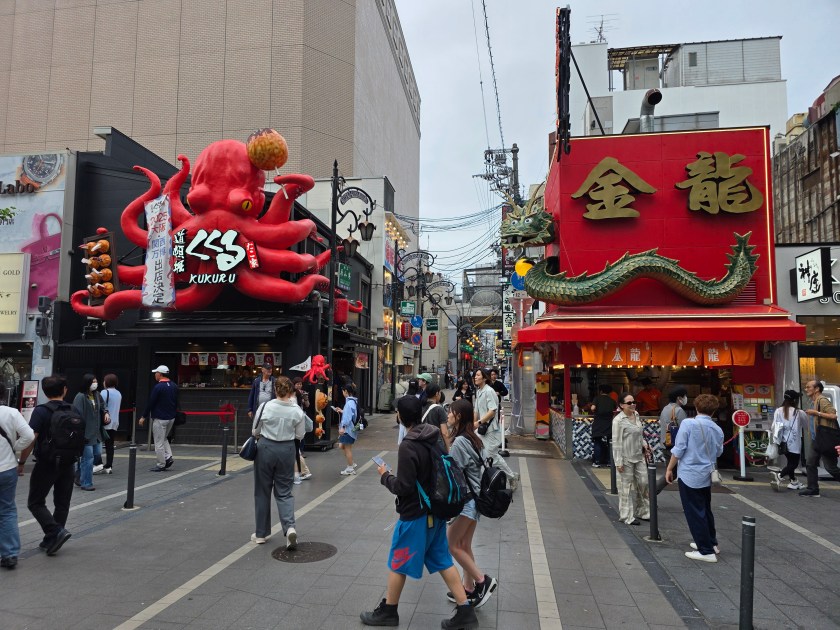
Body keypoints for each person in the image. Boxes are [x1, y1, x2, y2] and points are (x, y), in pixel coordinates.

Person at [360, 396, 478, 629]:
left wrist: (385, 476)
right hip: (436, 511)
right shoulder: (433, 436)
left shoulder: (408, 445)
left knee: (398, 560)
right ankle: (465, 611)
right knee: (443, 561)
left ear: (401, 417)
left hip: (415, 515)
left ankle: (389, 611)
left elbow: (403, 487)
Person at [445, 399, 497, 608]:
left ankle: (483, 581)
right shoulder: (474, 438)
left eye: (450, 412)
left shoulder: (459, 442)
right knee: (465, 545)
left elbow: (453, 473)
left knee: (451, 545)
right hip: (476, 500)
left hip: (466, 501)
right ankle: (467, 588)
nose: (448, 415)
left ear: (459, 416)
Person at [18, 375, 77, 556]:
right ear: (65, 390)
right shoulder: (73, 409)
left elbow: (31, 438)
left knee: (35, 502)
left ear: (44, 392)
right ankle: (52, 538)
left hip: (47, 463)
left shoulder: (41, 411)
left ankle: (56, 532)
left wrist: (22, 462)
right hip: (69, 462)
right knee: (62, 503)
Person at [665, 393, 724, 562]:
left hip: (689, 473)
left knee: (694, 512)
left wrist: (669, 468)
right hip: (707, 473)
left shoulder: (688, 424)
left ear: (696, 407)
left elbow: (679, 449)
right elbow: (719, 452)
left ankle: (706, 551)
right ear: (714, 411)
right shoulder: (717, 428)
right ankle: (711, 542)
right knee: (705, 509)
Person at [252, 376, 306, 550]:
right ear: (290, 391)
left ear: (275, 389)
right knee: (284, 492)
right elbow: (300, 435)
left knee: (262, 491)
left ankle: (261, 534)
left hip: (265, 448)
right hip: (287, 450)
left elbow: (255, 430)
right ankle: (290, 528)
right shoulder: (296, 410)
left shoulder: (265, 407)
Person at [0, 383, 34, 569]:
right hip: (7, 468)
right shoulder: (11, 412)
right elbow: (29, 435)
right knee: (7, 510)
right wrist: (14, 446)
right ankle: (10, 554)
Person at [474, 368, 518, 490]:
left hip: (491, 430)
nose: (475, 377)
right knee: (479, 453)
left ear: (484, 378)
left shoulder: (489, 391)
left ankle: (511, 477)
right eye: (475, 375)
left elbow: (492, 411)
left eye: (478, 375)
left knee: (491, 456)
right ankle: (481, 481)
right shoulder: (479, 391)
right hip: (481, 429)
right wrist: (473, 423)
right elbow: (476, 410)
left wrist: (478, 422)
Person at [612, 393, 651, 526]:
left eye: (634, 402)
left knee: (643, 483)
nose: (633, 404)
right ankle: (627, 516)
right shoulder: (618, 421)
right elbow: (616, 442)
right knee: (625, 487)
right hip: (625, 458)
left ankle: (643, 511)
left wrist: (644, 444)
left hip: (639, 456)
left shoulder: (637, 415)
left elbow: (639, 435)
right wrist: (618, 462)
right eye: (629, 403)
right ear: (621, 405)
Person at [799, 379, 840, 497]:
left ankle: (813, 488)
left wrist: (816, 413)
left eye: (808, 387)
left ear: (817, 389)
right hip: (816, 439)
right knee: (810, 463)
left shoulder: (822, 400)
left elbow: (833, 415)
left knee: (830, 468)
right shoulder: (814, 401)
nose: (806, 389)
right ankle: (812, 489)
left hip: (824, 440)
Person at [138, 365, 178, 472]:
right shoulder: (174, 385)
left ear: (160, 374)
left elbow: (151, 403)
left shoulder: (158, 387)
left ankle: (161, 464)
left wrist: (143, 416)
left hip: (160, 418)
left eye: (156, 373)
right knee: (164, 438)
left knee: (158, 442)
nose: (155, 375)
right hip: (171, 417)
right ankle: (168, 457)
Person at [72, 374, 107, 492]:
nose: (95, 383)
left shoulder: (97, 394)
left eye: (96, 381)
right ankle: (86, 483)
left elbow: (103, 405)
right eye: (93, 381)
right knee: (88, 458)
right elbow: (77, 415)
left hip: (96, 433)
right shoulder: (80, 397)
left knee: (97, 453)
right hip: (85, 433)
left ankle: (78, 474)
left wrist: (106, 412)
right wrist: (79, 432)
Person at [769, 390, 805, 491]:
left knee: (790, 463)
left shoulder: (778, 410)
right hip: (795, 442)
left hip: (782, 442)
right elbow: (806, 425)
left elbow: (774, 426)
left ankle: (793, 482)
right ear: (795, 400)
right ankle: (780, 476)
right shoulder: (799, 412)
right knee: (794, 464)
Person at [291, 377, 312, 483]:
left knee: (296, 451)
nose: (299, 385)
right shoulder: (294, 395)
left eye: (300, 384)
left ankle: (302, 472)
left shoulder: (297, 395)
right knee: (296, 451)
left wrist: (305, 399)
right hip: (296, 424)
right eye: (297, 384)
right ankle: (301, 472)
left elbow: (307, 405)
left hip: (296, 423)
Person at [589, 384, 615, 468]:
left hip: (598, 423)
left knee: (597, 442)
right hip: (609, 424)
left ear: (600, 391)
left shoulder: (597, 398)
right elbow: (615, 411)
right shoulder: (612, 400)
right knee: (609, 443)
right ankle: (610, 462)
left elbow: (592, 408)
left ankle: (597, 462)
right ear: (609, 392)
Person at [100, 373, 122, 474]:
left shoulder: (104, 392)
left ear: (106, 382)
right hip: (114, 422)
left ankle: (98, 463)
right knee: (110, 445)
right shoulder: (118, 393)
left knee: (97, 443)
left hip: (105, 422)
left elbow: (100, 406)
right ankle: (109, 465)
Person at [336, 383, 359, 476]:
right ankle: (351, 463)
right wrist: (342, 411)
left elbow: (347, 418)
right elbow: (350, 414)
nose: (342, 393)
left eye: (343, 391)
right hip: (351, 429)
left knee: (347, 448)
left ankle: (350, 468)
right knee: (342, 446)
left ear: (346, 391)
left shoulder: (349, 403)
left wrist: (343, 427)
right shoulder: (353, 402)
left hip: (348, 429)